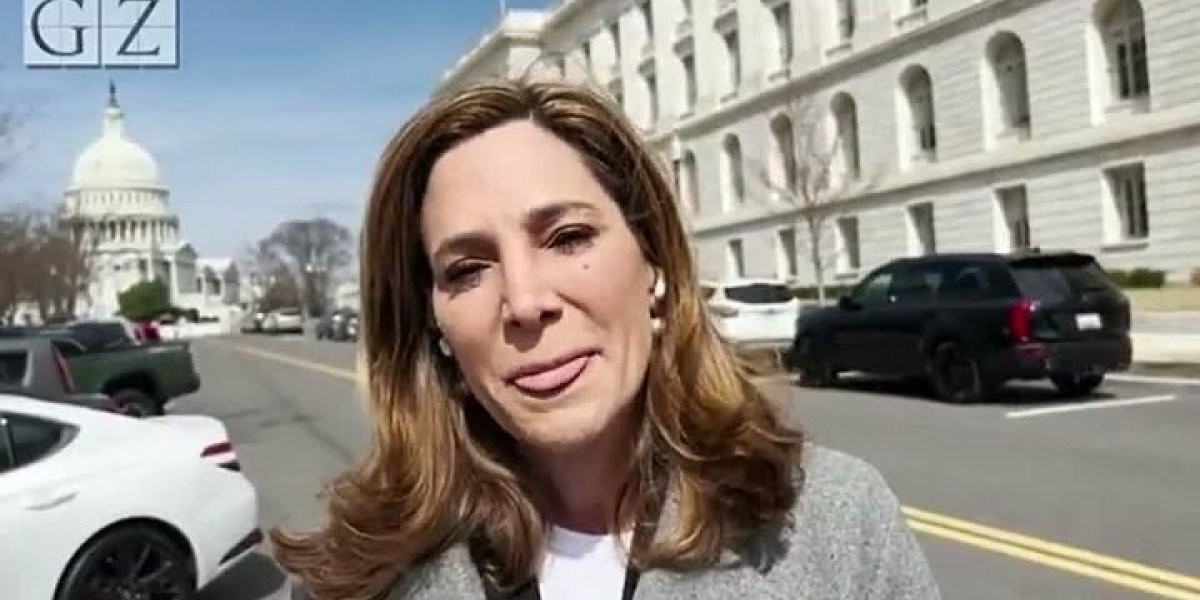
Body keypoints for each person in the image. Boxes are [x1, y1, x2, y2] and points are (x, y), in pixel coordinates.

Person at [270, 78, 940, 600]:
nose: (525, 302)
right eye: (468, 270)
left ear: (654, 264)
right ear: (433, 324)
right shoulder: (360, 577)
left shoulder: (838, 521)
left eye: (568, 238)